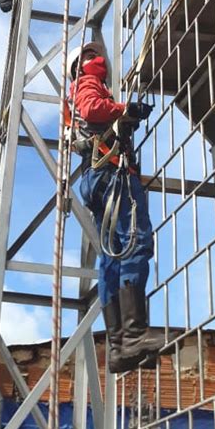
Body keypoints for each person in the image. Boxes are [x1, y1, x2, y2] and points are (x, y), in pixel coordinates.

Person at [67, 41, 162, 373]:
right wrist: (123, 109)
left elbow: (91, 121)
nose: (99, 60)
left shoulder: (77, 93)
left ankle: (119, 347)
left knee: (111, 257)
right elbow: (93, 109)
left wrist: (124, 118)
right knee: (136, 241)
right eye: (92, 56)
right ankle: (133, 334)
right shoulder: (87, 83)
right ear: (82, 64)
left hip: (96, 176)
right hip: (112, 173)